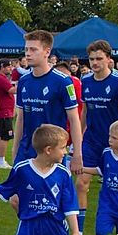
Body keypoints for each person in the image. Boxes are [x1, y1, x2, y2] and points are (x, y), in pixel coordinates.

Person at [77, 40, 118, 235]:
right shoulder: (86, 80)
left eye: (99, 58)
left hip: (115, 141)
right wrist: (78, 136)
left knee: (117, 185)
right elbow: (84, 111)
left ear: (109, 59)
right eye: (92, 59)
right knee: (81, 182)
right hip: (91, 140)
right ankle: (80, 230)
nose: (95, 62)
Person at [12, 30, 83, 174]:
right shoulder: (24, 81)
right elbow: (20, 119)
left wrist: (77, 154)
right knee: (17, 195)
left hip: (53, 152)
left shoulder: (63, 82)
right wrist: (15, 149)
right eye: (26, 49)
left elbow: (74, 119)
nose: (28, 53)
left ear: (47, 52)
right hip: (26, 150)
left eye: (33, 49)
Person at [0, 59, 16, 168]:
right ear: (2, 67)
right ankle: (1, 160)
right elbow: (12, 90)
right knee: (5, 137)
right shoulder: (0, 78)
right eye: (8, 67)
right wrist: (24, 85)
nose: (10, 69)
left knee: (0, 136)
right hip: (4, 112)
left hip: (2, 111)